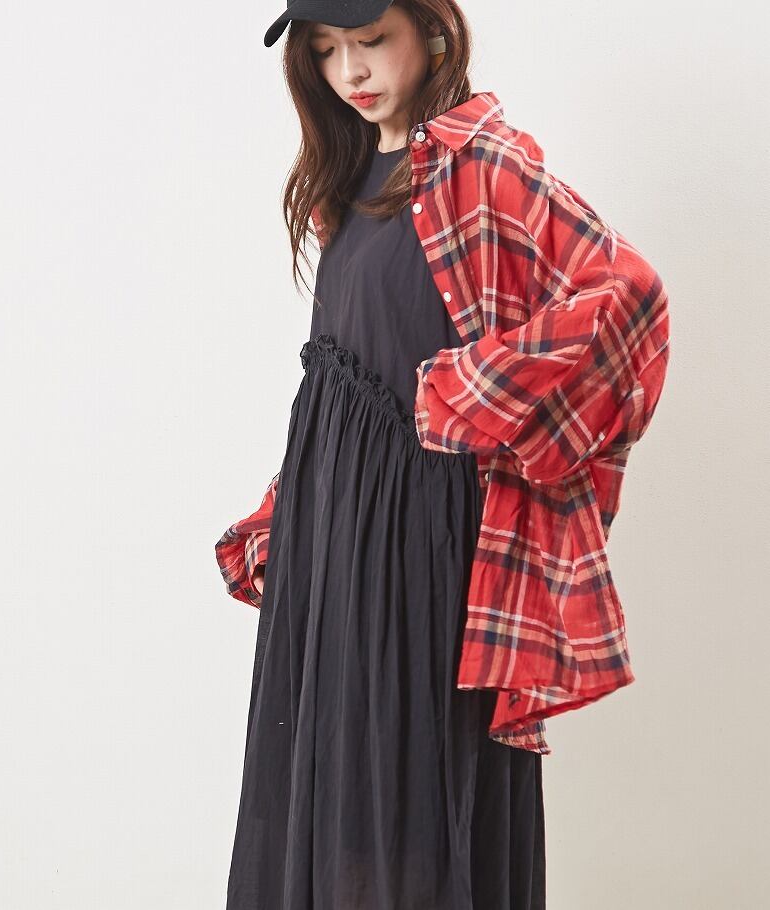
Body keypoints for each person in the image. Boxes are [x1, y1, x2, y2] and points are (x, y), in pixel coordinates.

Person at [214, 1, 670, 907]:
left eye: (370, 41)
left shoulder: (481, 165)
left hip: (426, 544)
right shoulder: (347, 180)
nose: (351, 71)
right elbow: (339, 376)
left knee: (412, 798)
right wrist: (288, 507)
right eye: (327, 50)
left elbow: (629, 295)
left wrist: (469, 391)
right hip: (333, 540)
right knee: (340, 798)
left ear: (430, 31)